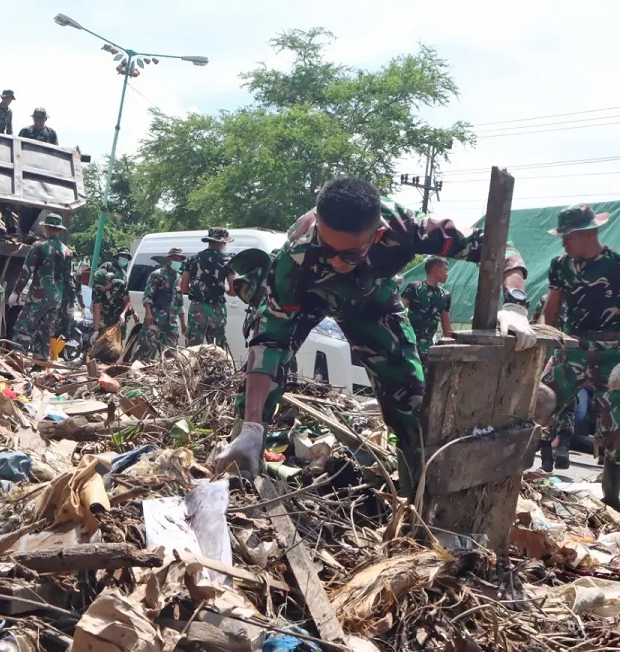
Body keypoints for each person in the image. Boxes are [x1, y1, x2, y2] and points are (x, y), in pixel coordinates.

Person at [212, 178, 538, 485]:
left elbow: (493, 242)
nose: (338, 262)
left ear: (377, 235)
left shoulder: (406, 228)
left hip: (371, 300)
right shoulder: (296, 254)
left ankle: (420, 482)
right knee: (260, 387)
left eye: (351, 254)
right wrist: (253, 424)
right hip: (308, 297)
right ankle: (245, 454)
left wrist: (515, 301)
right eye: (328, 250)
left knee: (409, 393)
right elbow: (270, 339)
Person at [542, 203, 620, 511]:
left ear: (587, 233)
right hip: (572, 350)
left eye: (567, 236)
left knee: (617, 431)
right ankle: (521, 477)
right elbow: (549, 312)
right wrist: (545, 346)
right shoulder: (560, 265)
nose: (563, 242)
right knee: (536, 403)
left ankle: (610, 503)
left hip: (611, 356)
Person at [10, 213, 73, 359]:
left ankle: (17, 360)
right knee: (45, 333)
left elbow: (26, 271)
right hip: (55, 300)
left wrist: (16, 292)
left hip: (38, 297)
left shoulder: (39, 246)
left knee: (23, 328)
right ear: (59, 230)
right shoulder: (67, 252)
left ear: (46, 227)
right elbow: (68, 280)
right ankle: (40, 364)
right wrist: (69, 303)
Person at [181, 227, 234, 348]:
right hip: (218, 310)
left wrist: (195, 289)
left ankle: (192, 367)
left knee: (193, 349)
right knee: (217, 349)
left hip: (198, 309)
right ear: (222, 242)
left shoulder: (193, 259)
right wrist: (223, 288)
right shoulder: (228, 261)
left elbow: (183, 287)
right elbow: (233, 291)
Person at [401, 256, 454, 357]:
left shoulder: (445, 295)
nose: (447, 273)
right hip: (408, 346)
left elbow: (447, 328)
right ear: (436, 269)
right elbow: (399, 313)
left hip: (428, 350)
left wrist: (452, 350)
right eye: (445, 269)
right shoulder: (414, 287)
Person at [139, 248, 187, 360]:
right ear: (168, 260)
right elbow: (147, 296)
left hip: (171, 323)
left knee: (171, 357)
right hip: (155, 319)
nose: (177, 262)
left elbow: (180, 302)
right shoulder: (157, 275)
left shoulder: (179, 278)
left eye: (179, 260)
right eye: (175, 259)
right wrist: (148, 314)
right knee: (147, 352)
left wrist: (183, 323)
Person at [92, 247, 136, 331]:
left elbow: (126, 298)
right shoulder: (108, 266)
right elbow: (98, 277)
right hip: (105, 313)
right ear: (117, 257)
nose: (125, 259)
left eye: (127, 257)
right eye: (123, 256)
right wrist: (95, 330)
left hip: (118, 313)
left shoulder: (124, 275)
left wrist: (131, 312)